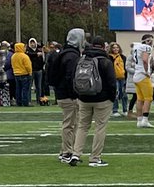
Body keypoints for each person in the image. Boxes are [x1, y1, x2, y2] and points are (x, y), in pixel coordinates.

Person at [68, 37, 116, 167]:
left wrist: (78, 95)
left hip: (84, 98)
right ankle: (95, 158)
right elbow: (112, 82)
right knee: (100, 127)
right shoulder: (105, 61)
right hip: (102, 99)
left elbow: (73, 78)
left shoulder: (81, 59)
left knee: (82, 126)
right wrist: (112, 98)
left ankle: (76, 154)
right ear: (102, 46)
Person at [46, 29, 85, 161]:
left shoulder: (64, 53)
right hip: (68, 94)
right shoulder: (71, 56)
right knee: (70, 124)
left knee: (71, 123)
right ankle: (67, 152)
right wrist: (74, 93)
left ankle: (66, 150)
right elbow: (70, 76)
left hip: (63, 93)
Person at [131, 33, 154, 128]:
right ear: (147, 40)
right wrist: (146, 72)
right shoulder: (146, 47)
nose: (152, 42)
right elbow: (145, 60)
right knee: (148, 99)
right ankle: (145, 120)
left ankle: (139, 120)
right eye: (150, 40)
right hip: (143, 75)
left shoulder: (137, 46)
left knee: (140, 99)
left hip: (136, 75)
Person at [108, 43, 127, 116]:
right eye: (114, 48)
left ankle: (125, 110)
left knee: (124, 94)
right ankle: (115, 110)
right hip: (114, 78)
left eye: (117, 48)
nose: (116, 49)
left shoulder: (122, 57)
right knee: (115, 94)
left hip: (122, 77)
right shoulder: (109, 57)